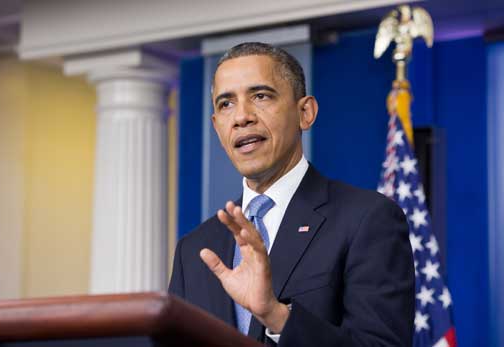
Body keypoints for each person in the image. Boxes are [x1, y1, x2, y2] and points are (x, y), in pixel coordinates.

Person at [169, 42, 415, 346]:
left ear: (305, 113)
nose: (241, 116)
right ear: (217, 127)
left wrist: (276, 316)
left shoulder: (367, 219)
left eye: (260, 96)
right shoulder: (194, 251)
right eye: (226, 104)